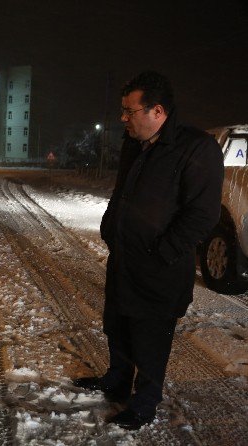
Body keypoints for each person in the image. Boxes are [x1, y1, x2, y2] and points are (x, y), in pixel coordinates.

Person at [73, 71, 224, 430]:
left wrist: (161, 252)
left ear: (157, 110)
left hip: (161, 268)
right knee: (119, 324)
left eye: (129, 110)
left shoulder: (196, 148)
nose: (123, 118)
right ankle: (117, 381)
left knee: (151, 338)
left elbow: (203, 215)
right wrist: (112, 226)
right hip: (125, 257)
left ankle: (144, 403)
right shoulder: (134, 143)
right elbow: (123, 192)